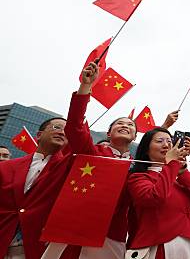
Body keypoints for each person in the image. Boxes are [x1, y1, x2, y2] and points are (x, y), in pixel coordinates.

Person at [65, 61, 178, 259]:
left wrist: (164, 127)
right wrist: (85, 87)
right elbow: (74, 127)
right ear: (108, 133)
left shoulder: (137, 167)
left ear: (135, 137)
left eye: (130, 125)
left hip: (115, 235)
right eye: (119, 123)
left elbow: (154, 150)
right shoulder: (92, 152)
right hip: (78, 228)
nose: (125, 125)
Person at [127, 128, 190, 258]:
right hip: (157, 244)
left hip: (186, 245)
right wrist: (171, 166)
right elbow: (155, 198)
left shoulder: (179, 178)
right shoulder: (138, 177)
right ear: (146, 149)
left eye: (169, 141)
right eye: (159, 141)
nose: (166, 145)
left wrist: (183, 172)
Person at [0, 117, 72, 259]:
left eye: (66, 131)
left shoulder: (69, 169)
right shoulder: (5, 167)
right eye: (57, 127)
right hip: (4, 236)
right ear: (39, 135)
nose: (62, 133)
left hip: (36, 245)